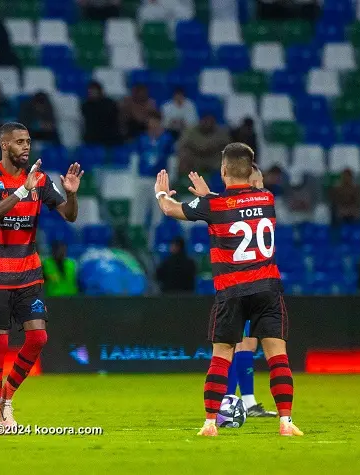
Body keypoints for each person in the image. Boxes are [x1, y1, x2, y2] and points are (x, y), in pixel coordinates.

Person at [154, 142, 303, 437]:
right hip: (267, 290)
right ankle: (285, 422)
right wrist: (211, 195)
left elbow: (170, 209)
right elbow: (243, 208)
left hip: (232, 291)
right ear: (251, 172)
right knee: (277, 355)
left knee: (221, 355)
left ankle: (210, 423)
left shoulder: (214, 205)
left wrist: (161, 192)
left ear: (223, 170)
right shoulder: (268, 198)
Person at [0, 122, 83, 435]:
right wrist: (21, 192)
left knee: (38, 338)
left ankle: (6, 397)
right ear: (3, 144)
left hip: (27, 272)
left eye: (28, 141)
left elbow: (70, 215)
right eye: (20, 142)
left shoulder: (39, 179)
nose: (26, 147)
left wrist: (72, 195)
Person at [188, 164, 277, 417]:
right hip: (240, 284)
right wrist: (207, 198)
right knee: (237, 345)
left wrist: (209, 198)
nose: (261, 187)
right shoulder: (246, 203)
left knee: (246, 343)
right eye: (257, 182)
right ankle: (229, 402)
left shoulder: (256, 202)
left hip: (253, 282)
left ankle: (243, 401)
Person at [132, 112, 174, 227]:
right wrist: (134, 178)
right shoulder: (142, 139)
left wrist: (172, 178)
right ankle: (137, 235)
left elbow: (172, 160)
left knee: (158, 214)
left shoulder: (167, 139)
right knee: (138, 210)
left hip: (160, 180)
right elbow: (135, 159)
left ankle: (155, 239)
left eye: (156, 122)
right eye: (151, 122)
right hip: (143, 178)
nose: (153, 124)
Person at [81, 81, 122, 146]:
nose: (92, 93)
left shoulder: (110, 103)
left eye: (94, 91)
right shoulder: (86, 106)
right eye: (90, 91)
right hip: (93, 138)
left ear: (100, 91)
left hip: (110, 137)